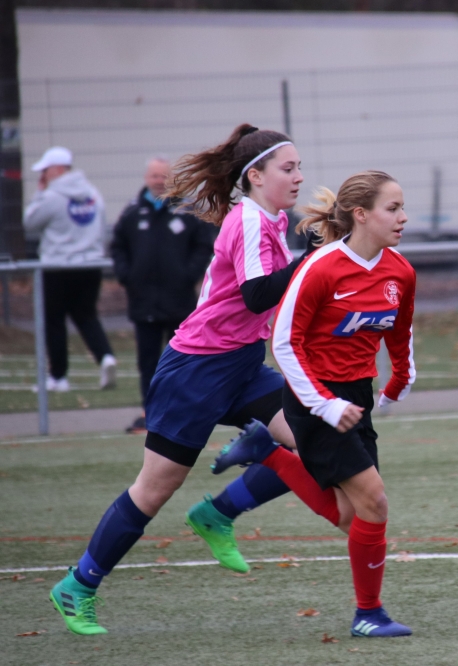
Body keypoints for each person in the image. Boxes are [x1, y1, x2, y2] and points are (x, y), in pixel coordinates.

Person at [48, 124, 333, 635]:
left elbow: (277, 293)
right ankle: (78, 584)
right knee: (155, 489)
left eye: (299, 168)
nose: (299, 177)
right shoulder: (249, 220)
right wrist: (314, 257)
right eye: (288, 168)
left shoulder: (273, 219)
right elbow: (256, 295)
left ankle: (219, 512)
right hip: (196, 371)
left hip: (242, 365)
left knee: (319, 439)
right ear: (256, 175)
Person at [211, 171, 416, 638]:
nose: (403, 217)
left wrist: (401, 378)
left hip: (356, 397)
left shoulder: (400, 270)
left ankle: (267, 452)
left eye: (403, 208)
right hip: (313, 397)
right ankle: (368, 615)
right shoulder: (321, 267)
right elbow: (284, 343)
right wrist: (323, 404)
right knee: (375, 502)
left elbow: (400, 331)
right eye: (393, 208)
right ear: (361, 214)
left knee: (351, 515)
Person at [111, 156, 215, 433]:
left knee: (182, 360)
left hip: (179, 302)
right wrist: (127, 275)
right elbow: (118, 246)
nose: (159, 181)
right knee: (147, 362)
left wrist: (188, 275)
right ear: (147, 178)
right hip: (143, 302)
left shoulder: (187, 211)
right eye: (154, 176)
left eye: (163, 176)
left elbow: (203, 245)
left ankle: (181, 411)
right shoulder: (132, 212)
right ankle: (151, 413)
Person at [23, 146, 117, 392]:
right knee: (86, 315)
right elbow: (101, 227)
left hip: (57, 267)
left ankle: (59, 376)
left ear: (56, 169)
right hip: (90, 265)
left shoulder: (51, 196)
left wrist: (39, 193)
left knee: (54, 320)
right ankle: (106, 356)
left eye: (45, 170)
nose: (42, 175)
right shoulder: (93, 193)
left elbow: (29, 222)